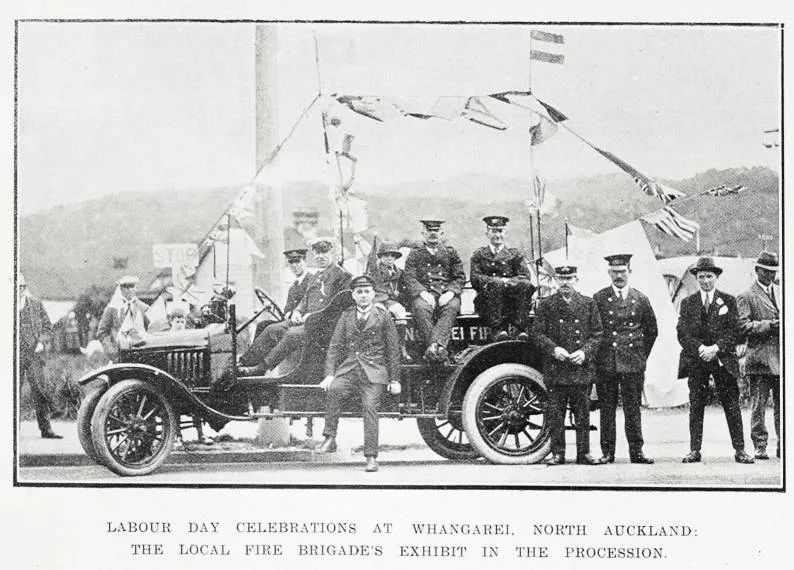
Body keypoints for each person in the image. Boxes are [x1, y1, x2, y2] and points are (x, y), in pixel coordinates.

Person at [318, 275, 401, 472]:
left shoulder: (383, 316)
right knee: (334, 389)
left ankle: (371, 457)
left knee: (370, 407)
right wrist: (329, 374)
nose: (363, 296)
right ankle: (330, 438)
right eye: (359, 292)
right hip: (350, 369)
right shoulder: (346, 316)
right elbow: (334, 347)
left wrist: (395, 379)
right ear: (353, 295)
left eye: (367, 292)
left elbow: (393, 350)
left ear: (373, 294)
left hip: (374, 373)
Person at [677, 257, 754, 464]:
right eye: (701, 277)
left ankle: (740, 450)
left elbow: (735, 330)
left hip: (723, 361)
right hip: (697, 360)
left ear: (716, 277)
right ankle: (695, 450)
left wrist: (716, 348)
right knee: (696, 405)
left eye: (709, 276)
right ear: (696, 278)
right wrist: (701, 348)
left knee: (731, 405)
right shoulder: (688, 303)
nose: (705, 281)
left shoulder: (728, 301)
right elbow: (682, 333)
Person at [238, 237, 351, 376]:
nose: (321, 256)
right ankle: (245, 363)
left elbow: (339, 304)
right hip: (306, 322)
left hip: (324, 326)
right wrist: (297, 311)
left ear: (332, 253)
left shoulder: (342, 276)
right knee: (272, 329)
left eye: (324, 252)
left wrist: (313, 315)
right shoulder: (316, 276)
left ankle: (261, 368)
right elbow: (305, 299)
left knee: (291, 335)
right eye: (317, 253)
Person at [531, 264, 603, 466]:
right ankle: (558, 453)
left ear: (576, 280)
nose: (565, 283)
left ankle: (584, 453)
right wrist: (554, 350)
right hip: (557, 368)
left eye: (569, 278)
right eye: (561, 279)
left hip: (580, 367)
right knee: (556, 414)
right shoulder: (546, 305)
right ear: (556, 281)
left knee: (582, 414)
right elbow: (537, 333)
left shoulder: (588, 304)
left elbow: (597, 334)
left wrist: (584, 352)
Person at [593, 254, 658, 464]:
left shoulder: (640, 299)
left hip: (632, 363)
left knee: (633, 410)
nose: (619, 276)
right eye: (614, 272)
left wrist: (639, 356)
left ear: (630, 272)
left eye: (622, 271)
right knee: (607, 409)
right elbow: (594, 331)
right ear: (608, 273)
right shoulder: (599, 298)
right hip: (607, 363)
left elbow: (651, 331)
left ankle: (636, 452)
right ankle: (608, 452)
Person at [736, 251, 781, 460]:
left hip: (781, 359)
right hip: (760, 360)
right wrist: (769, 325)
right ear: (757, 271)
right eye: (766, 272)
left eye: (773, 272)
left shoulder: (782, 292)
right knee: (758, 405)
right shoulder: (746, 296)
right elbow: (742, 326)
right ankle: (760, 446)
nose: (770, 276)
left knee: (783, 405)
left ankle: (785, 443)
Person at [404, 219, 466, 362]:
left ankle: (433, 346)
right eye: (429, 231)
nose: (433, 234)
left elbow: (459, 277)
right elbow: (409, 277)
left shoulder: (451, 253)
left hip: (447, 294)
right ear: (423, 233)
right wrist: (423, 293)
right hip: (425, 294)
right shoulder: (415, 254)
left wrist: (450, 293)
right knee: (420, 308)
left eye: (436, 231)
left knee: (451, 308)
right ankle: (439, 347)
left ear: (441, 233)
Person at [470, 215, 535, 341]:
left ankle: (521, 328)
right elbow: (475, 278)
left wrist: (508, 282)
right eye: (494, 231)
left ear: (505, 233)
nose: (497, 235)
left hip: (512, 302)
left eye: (500, 231)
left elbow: (525, 276)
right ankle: (498, 329)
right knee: (496, 283)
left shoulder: (515, 254)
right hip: (487, 302)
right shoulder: (479, 254)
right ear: (487, 233)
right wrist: (496, 282)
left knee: (525, 285)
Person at [18, 273, 62, 439]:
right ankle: (13, 429)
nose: (18, 291)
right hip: (14, 356)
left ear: (24, 288)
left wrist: (42, 343)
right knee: (12, 392)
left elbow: (47, 327)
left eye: (21, 287)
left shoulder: (36, 305)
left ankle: (46, 429)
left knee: (40, 391)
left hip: (34, 356)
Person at [368, 242, 419, 360]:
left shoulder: (399, 271)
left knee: (400, 312)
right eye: (386, 255)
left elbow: (404, 286)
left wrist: (400, 294)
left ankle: (402, 348)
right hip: (378, 298)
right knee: (378, 314)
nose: (390, 258)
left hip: (391, 300)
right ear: (380, 257)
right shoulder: (375, 270)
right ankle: (377, 349)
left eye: (392, 255)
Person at [97, 275, 150, 359]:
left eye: (132, 286)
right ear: (121, 289)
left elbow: (151, 329)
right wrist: (111, 351)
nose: (129, 289)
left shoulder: (143, 308)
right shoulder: (112, 308)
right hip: (119, 354)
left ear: (136, 288)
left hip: (142, 353)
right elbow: (102, 332)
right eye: (126, 287)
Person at [283, 248, 312, 318]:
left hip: (303, 320)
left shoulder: (312, 281)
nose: (294, 265)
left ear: (305, 262)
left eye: (297, 261)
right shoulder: (293, 287)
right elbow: (287, 309)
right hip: (291, 320)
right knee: (263, 324)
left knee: (271, 329)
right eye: (291, 262)